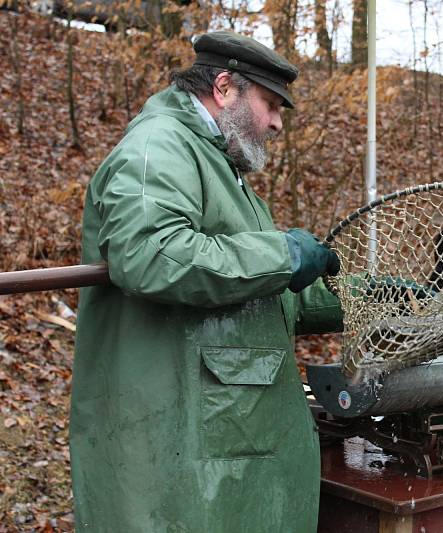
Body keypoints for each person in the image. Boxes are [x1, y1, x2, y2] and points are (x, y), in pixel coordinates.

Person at [70, 31, 342, 532]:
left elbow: (261, 290)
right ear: (223, 87)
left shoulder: (218, 163)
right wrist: (281, 253)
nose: (278, 123)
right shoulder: (158, 146)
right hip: (171, 439)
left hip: (224, 437)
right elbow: (151, 254)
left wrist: (369, 301)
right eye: (271, 104)